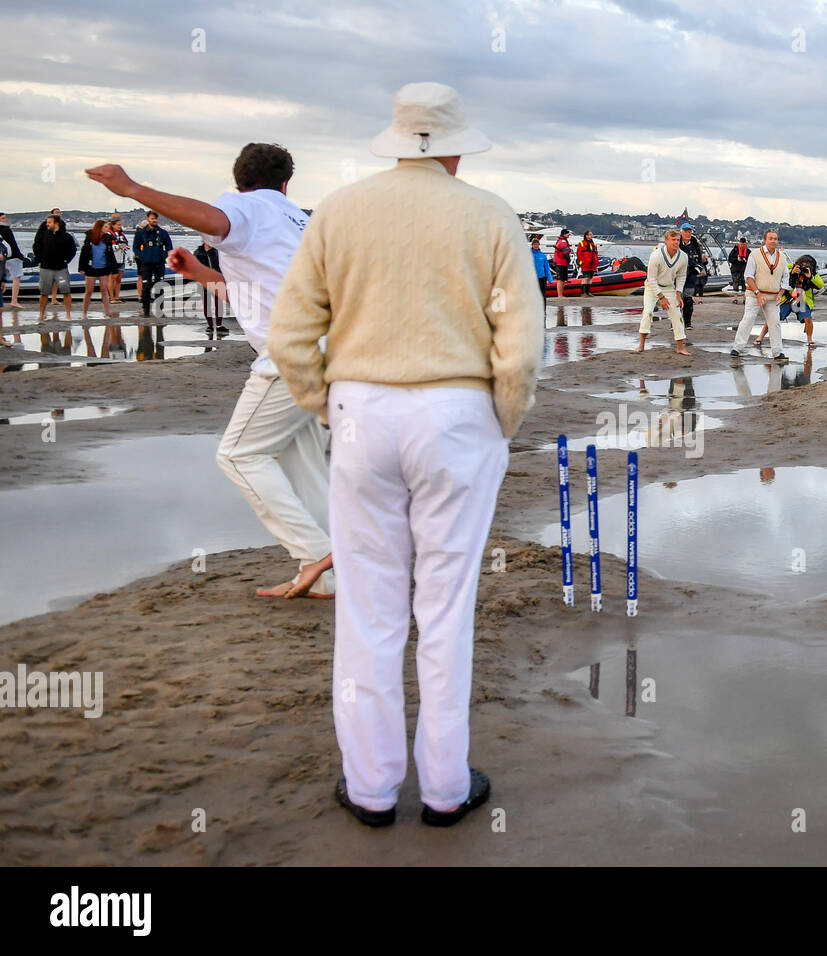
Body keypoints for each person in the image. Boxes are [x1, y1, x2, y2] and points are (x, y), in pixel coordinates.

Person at [268, 81, 541, 829]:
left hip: (362, 406)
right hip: (459, 411)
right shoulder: (489, 214)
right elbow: (519, 349)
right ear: (454, 144)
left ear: (395, 139)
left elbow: (291, 336)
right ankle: (447, 789)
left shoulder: (339, 211)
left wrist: (330, 405)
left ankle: (372, 787)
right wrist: (501, 423)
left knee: (369, 607)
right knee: (446, 606)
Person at [87, 144, 334, 600]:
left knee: (239, 456)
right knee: (303, 464)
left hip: (292, 353)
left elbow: (213, 220)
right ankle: (333, 575)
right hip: (332, 348)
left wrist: (131, 188)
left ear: (238, 181)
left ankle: (317, 551)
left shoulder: (244, 206)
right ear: (286, 183)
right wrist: (201, 272)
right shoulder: (297, 220)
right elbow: (260, 284)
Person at [730, 228, 790, 363]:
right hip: (754, 293)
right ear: (765, 240)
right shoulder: (755, 255)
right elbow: (748, 276)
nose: (773, 241)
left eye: (775, 239)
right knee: (748, 319)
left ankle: (777, 352)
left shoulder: (782, 257)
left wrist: (781, 293)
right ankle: (737, 348)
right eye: (771, 238)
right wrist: (757, 293)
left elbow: (785, 278)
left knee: (775, 323)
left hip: (773, 296)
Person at [634, 229, 689, 355]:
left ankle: (680, 347)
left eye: (678, 240)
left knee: (676, 314)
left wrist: (678, 294)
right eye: (673, 239)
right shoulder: (656, 255)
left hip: (669, 287)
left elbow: (681, 276)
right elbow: (651, 278)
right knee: (647, 312)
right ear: (666, 240)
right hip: (652, 287)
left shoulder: (683, 257)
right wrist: (661, 297)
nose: (676, 242)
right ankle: (641, 345)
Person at [758, 254, 822, 348]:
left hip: (802, 300)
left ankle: (809, 340)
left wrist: (810, 276)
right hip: (788, 298)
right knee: (773, 317)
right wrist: (791, 272)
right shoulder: (791, 267)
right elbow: (778, 275)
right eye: (802, 265)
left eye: (806, 266)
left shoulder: (812, 273)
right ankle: (760, 337)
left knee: (808, 318)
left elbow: (820, 284)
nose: (803, 268)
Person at [33, 214, 76, 323]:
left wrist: (67, 260)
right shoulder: (43, 235)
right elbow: (36, 247)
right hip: (46, 268)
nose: (47, 224)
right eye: (47, 222)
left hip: (61, 269)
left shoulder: (66, 236)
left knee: (65, 291)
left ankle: (68, 314)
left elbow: (72, 250)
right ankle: (41, 314)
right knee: (44, 293)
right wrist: (41, 259)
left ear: (56, 223)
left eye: (49, 222)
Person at [132, 211, 173, 317]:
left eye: (155, 218)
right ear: (148, 219)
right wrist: (141, 255)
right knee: (146, 287)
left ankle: (160, 310)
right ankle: (146, 310)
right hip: (146, 263)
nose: (154, 220)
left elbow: (169, 248)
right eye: (152, 218)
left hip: (159, 263)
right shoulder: (141, 233)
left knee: (159, 286)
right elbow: (135, 247)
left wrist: (163, 255)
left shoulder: (163, 233)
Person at [77, 219, 118, 320]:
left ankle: (107, 313)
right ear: (100, 227)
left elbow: (110, 254)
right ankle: (84, 313)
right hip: (91, 268)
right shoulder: (90, 237)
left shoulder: (107, 239)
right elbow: (84, 253)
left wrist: (114, 268)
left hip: (103, 268)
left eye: (108, 227)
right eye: (105, 227)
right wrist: (81, 267)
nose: (107, 229)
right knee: (89, 291)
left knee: (104, 290)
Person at [678, 222, 709, 330]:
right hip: (678, 275)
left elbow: (699, 258)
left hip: (691, 276)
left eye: (690, 231)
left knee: (688, 299)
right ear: (681, 232)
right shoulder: (677, 243)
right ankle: (675, 323)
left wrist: (698, 268)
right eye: (686, 231)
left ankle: (687, 323)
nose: (688, 233)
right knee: (676, 299)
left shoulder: (695, 243)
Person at [194, 240, 225, 332]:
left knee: (218, 304)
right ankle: (210, 325)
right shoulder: (198, 252)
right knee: (207, 305)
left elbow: (221, 267)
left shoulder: (218, 252)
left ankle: (219, 325)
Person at [0, 213, 21, 318]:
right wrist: (20, 255)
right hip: (11, 257)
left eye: (5, 218)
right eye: (3, 218)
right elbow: (13, 244)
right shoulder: (6, 230)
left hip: (3, 258)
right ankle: (14, 300)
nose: (5, 219)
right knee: (16, 278)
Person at [105, 214, 128, 303]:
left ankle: (117, 297)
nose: (120, 226)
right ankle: (111, 297)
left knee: (119, 279)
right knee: (112, 278)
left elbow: (125, 243)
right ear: (113, 225)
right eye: (118, 225)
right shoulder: (108, 234)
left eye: (120, 225)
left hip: (121, 258)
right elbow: (109, 246)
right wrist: (118, 246)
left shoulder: (121, 234)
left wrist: (123, 246)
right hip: (112, 259)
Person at [530, 235, 552, 310]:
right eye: (534, 244)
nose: (536, 246)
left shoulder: (543, 255)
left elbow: (547, 267)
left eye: (537, 244)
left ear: (539, 245)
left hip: (542, 277)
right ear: (532, 245)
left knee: (543, 294)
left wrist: (550, 278)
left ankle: (543, 309)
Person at [575, 230, 599, 296]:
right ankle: (583, 293)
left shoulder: (594, 244)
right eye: (590, 234)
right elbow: (579, 254)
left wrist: (596, 261)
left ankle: (588, 292)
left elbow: (596, 253)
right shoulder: (582, 243)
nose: (591, 236)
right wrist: (582, 262)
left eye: (592, 234)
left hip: (592, 264)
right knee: (585, 278)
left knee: (590, 278)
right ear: (586, 236)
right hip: (585, 264)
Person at [728, 237, 750, 302]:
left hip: (744, 269)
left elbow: (751, 261)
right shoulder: (734, 250)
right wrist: (736, 259)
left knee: (744, 284)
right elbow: (730, 259)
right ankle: (735, 299)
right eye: (741, 244)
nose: (742, 246)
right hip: (735, 269)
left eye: (744, 244)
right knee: (735, 283)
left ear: (745, 244)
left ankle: (745, 299)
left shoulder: (748, 251)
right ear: (739, 243)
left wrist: (745, 260)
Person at [552, 227, 571, 298]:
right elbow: (565, 253)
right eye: (567, 233)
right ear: (564, 234)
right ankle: (560, 295)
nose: (569, 234)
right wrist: (568, 260)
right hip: (560, 262)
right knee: (560, 279)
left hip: (562, 262)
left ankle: (561, 294)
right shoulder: (562, 242)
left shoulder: (562, 241)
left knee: (562, 279)